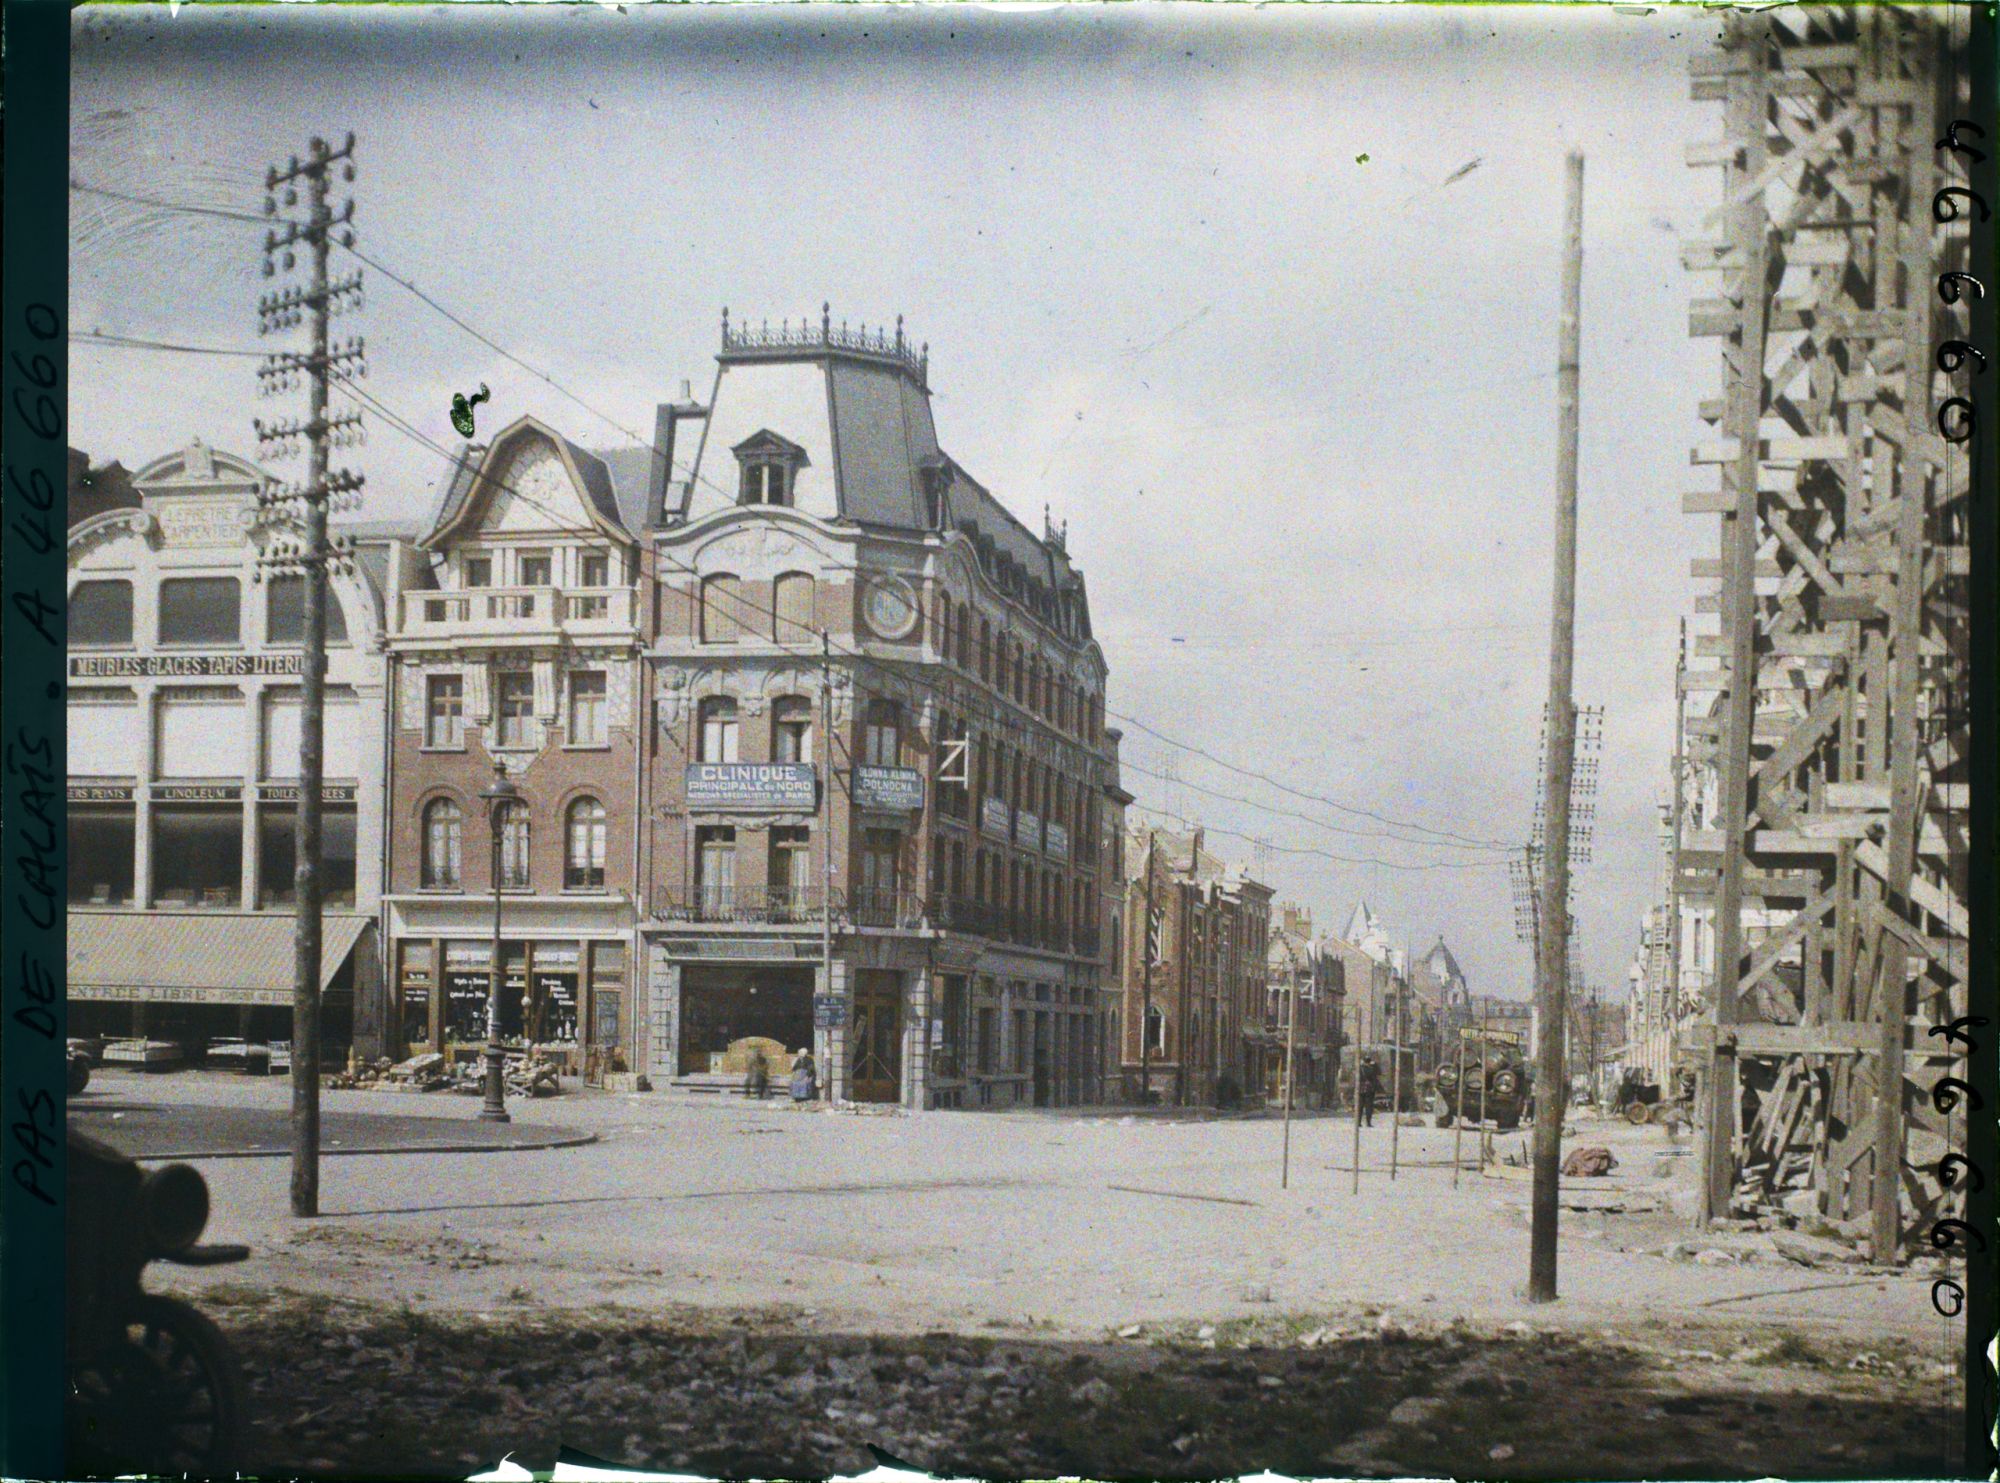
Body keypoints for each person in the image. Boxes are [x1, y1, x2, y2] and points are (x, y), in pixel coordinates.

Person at [1356, 1053, 1380, 1127]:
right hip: (1370, 1090)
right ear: (1370, 1061)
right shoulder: (1372, 1069)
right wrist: (1375, 1064)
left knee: (1360, 1107)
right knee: (1369, 1107)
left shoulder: (1360, 1068)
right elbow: (1379, 1073)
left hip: (1361, 1089)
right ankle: (1368, 1122)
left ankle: (1358, 1122)